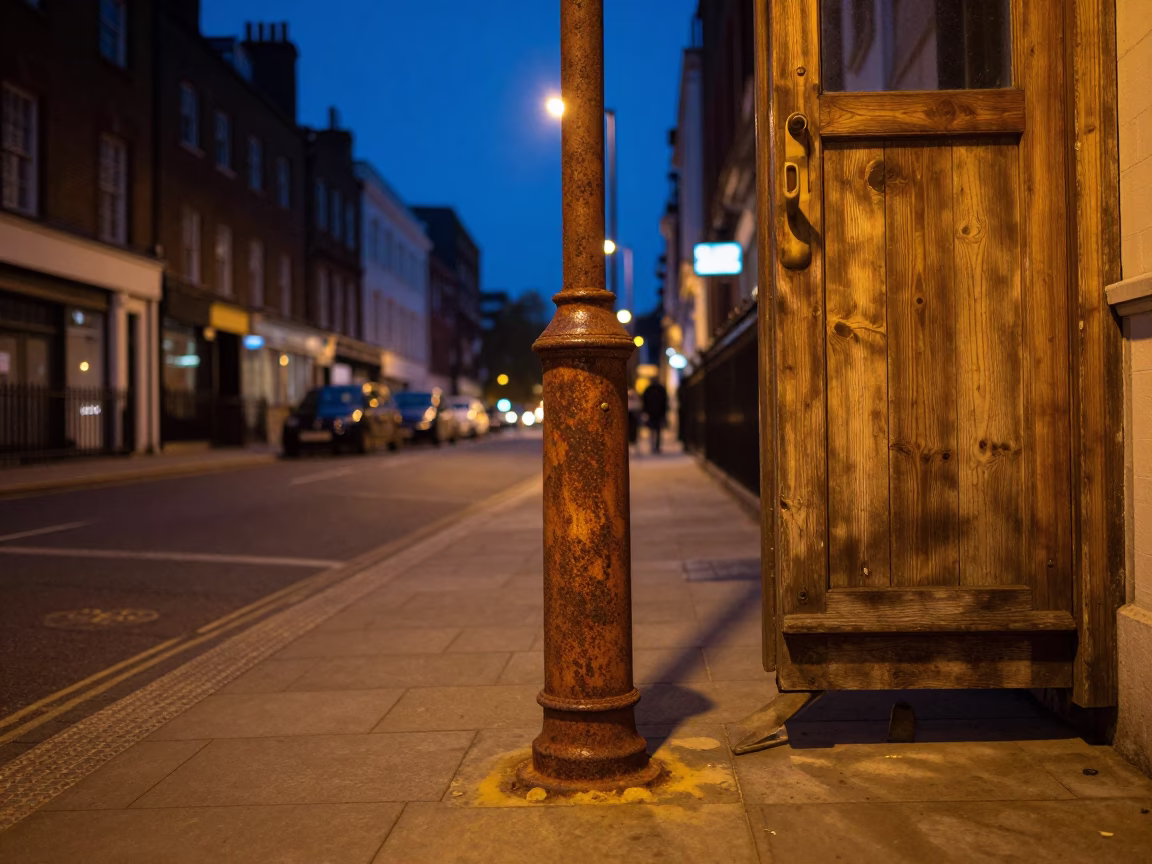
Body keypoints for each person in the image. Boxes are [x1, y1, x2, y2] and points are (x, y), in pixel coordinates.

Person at [641, 380, 668, 454]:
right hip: (657, 413)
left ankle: (653, 446)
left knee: (652, 430)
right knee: (657, 430)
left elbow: (644, 401)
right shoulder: (661, 390)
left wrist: (645, 411)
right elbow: (665, 402)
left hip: (652, 413)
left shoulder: (648, 389)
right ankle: (656, 446)